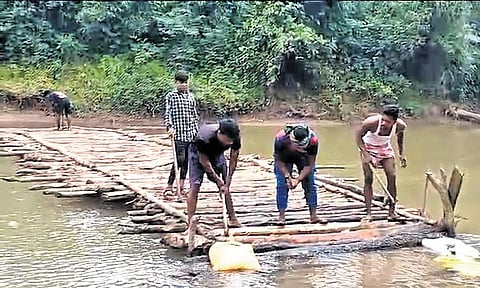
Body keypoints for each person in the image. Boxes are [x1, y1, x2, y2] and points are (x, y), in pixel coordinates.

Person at [355, 104, 407, 222]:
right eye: (383, 119)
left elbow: (400, 139)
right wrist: (367, 155)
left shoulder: (400, 126)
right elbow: (358, 138)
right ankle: (368, 213)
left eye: (387, 121)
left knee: (392, 176)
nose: (384, 123)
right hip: (368, 147)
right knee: (368, 178)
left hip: (384, 148)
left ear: (394, 121)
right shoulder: (371, 123)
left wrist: (401, 154)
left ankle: (391, 212)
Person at [187, 118, 242, 228]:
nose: (230, 142)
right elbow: (204, 162)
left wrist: (227, 181)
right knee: (195, 186)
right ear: (220, 133)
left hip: (217, 154)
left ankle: (233, 218)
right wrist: (218, 180)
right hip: (198, 155)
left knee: (226, 188)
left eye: (232, 140)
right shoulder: (203, 137)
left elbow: (233, 158)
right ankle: (190, 222)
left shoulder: (235, 137)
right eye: (228, 140)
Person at [273, 124, 326, 225]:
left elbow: (310, 164)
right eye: (297, 147)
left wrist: (298, 179)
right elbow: (278, 161)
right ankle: (281, 216)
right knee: (282, 185)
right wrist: (287, 176)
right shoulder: (280, 139)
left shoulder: (313, 141)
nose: (300, 149)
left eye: (302, 146)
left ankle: (313, 216)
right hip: (284, 158)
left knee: (310, 184)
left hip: (304, 159)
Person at [163, 70, 199, 201]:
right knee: (180, 159)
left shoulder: (190, 97)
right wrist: (169, 127)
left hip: (190, 134)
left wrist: (196, 131)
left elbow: (194, 116)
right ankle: (169, 185)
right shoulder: (171, 96)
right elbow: (168, 113)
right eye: (181, 83)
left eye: (185, 82)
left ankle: (181, 186)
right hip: (178, 134)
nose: (183, 85)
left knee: (187, 161)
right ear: (175, 83)